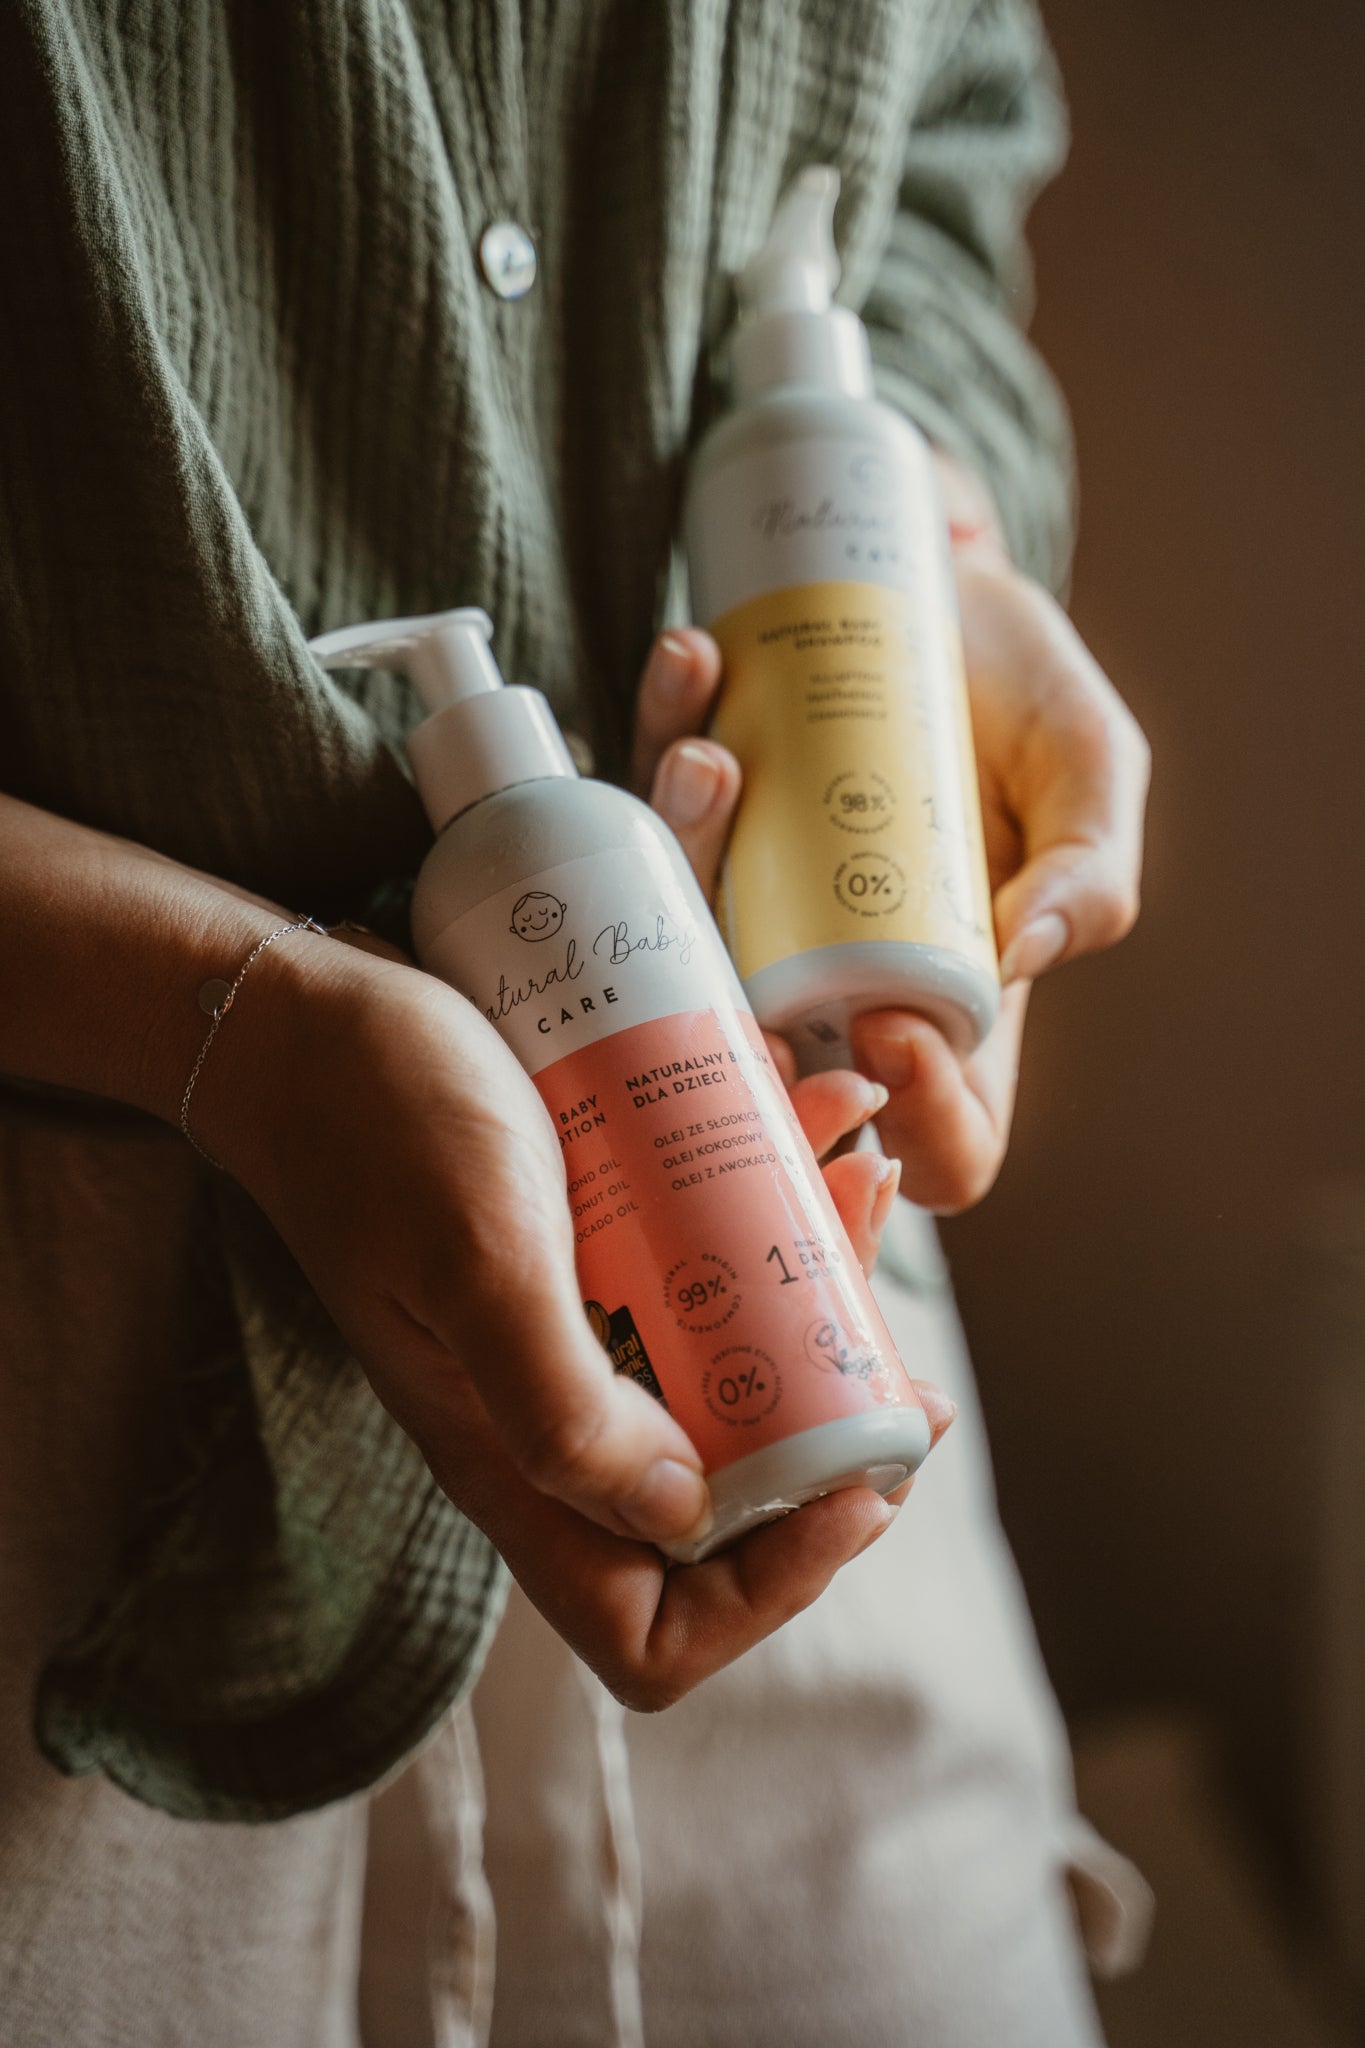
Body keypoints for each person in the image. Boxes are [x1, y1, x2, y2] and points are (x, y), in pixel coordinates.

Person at [0, 2, 1150, 2044]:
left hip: (780, 1265)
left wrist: (907, 553)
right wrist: (228, 1030)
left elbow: (934, 153)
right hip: (87, 1412)